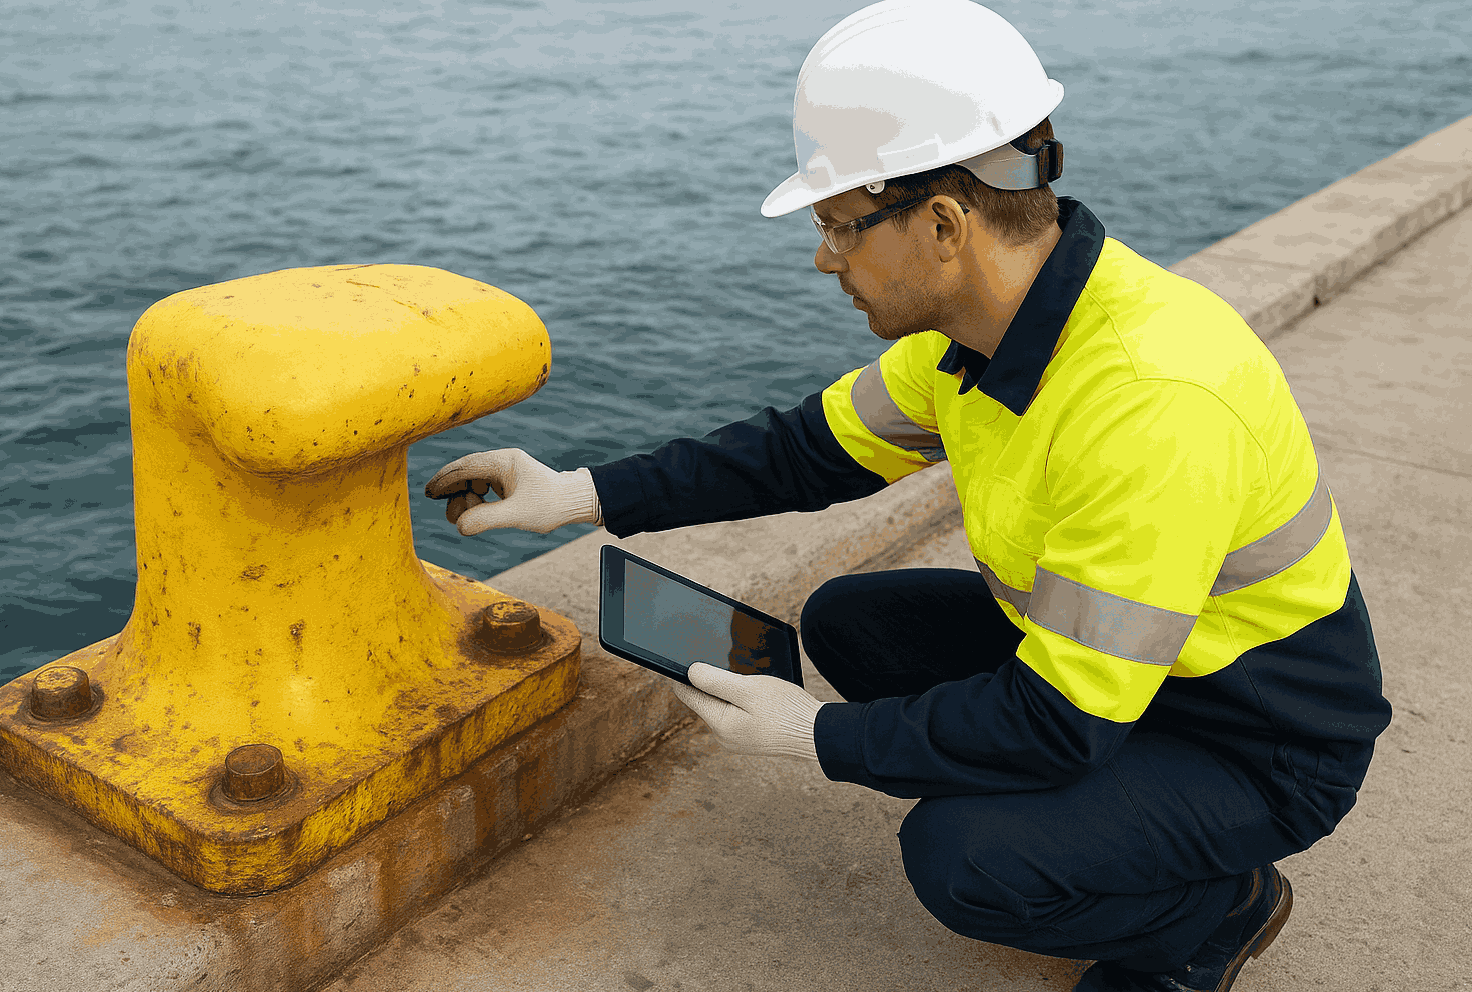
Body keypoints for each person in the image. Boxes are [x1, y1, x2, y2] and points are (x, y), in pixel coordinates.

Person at [424, 2, 1393, 990]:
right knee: (850, 621)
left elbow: (1061, 721)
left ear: (941, 222)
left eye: (840, 224)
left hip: (1251, 734)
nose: (822, 256)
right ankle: (1118, 827)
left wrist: (809, 735)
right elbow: (800, 451)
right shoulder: (974, 342)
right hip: (1137, 678)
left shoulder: (1148, 399)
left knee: (961, 856)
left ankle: (1209, 909)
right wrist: (576, 492)